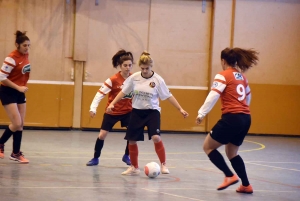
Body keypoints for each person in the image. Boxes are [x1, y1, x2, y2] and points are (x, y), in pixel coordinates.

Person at [106, 51, 189, 175]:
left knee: (156, 137)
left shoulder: (158, 80)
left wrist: (180, 109)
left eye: (147, 68)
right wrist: (113, 103)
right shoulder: (134, 78)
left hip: (152, 112)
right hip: (137, 112)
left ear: (151, 67)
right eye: (142, 68)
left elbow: (168, 96)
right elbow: (123, 92)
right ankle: (134, 167)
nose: (144, 71)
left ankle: (164, 164)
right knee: (132, 140)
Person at [196, 47, 259, 194]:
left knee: (208, 147)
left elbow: (213, 95)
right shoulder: (242, 77)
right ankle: (246, 185)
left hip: (232, 117)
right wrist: (242, 111)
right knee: (232, 152)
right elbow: (248, 97)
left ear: (223, 61)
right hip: (246, 118)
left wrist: (201, 113)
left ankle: (229, 175)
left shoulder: (223, 75)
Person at [86, 49, 134, 166]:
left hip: (128, 111)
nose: (128, 68)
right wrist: (93, 108)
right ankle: (95, 158)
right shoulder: (113, 80)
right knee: (102, 135)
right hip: (112, 112)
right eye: (125, 65)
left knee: (132, 134)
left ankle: (126, 155)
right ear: (120, 66)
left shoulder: (134, 78)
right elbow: (100, 94)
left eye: (130, 65)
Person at [0, 31, 31, 164]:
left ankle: (16, 153)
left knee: (20, 125)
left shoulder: (26, 55)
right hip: (8, 91)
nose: (27, 48)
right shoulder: (11, 58)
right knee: (16, 122)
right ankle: (1, 143)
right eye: (24, 45)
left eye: (29, 45)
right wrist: (18, 87)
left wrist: (21, 87)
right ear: (17, 45)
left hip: (20, 92)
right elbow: (1, 77)